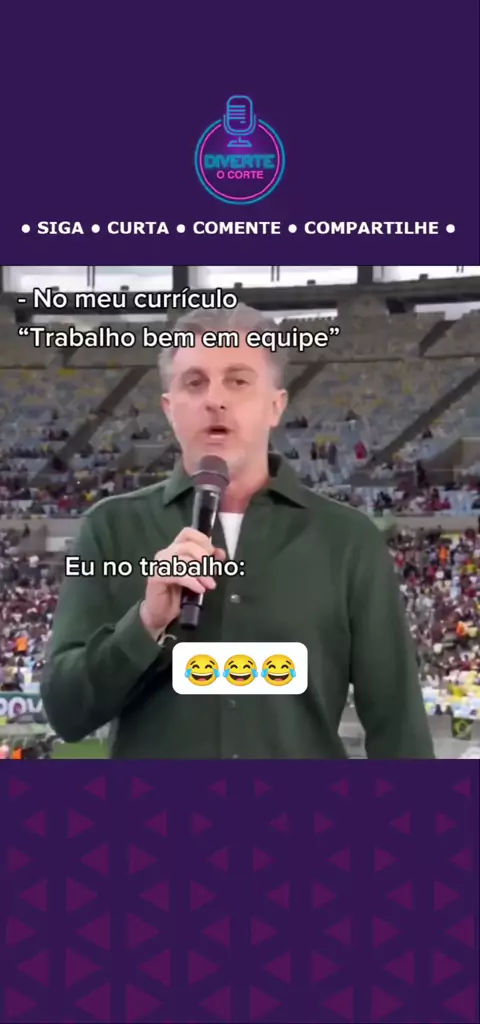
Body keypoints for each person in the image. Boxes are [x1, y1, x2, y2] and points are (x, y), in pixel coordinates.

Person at [41, 304, 434, 759]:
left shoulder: (348, 540)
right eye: (195, 382)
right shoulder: (110, 528)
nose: (215, 399)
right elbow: (66, 712)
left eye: (238, 380)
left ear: (275, 406)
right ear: (169, 409)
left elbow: (398, 725)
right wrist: (146, 623)